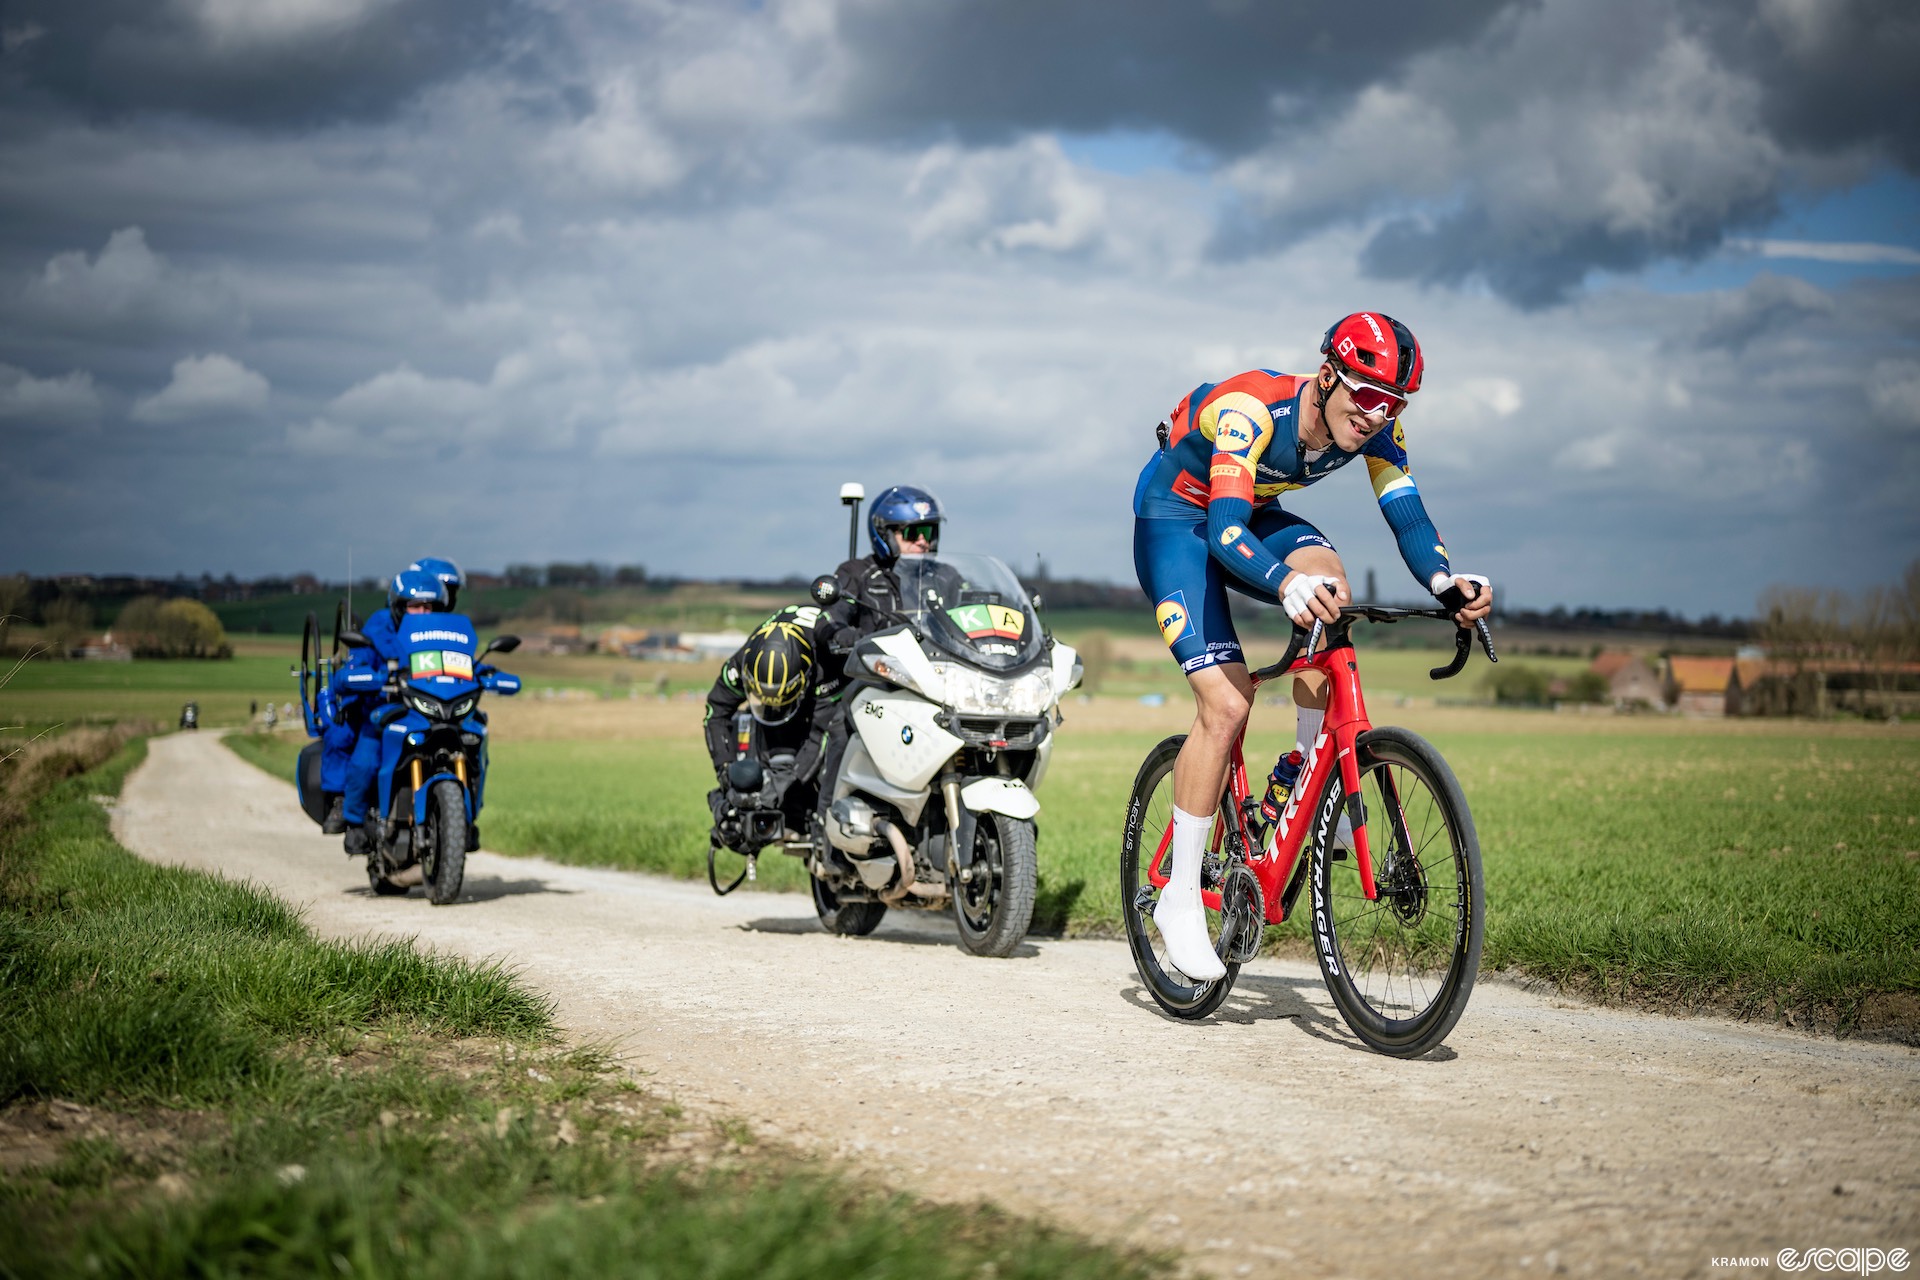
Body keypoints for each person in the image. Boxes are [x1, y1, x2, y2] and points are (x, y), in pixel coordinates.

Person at [1132, 312, 1492, 980]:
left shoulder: (1377, 427)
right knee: (1228, 702)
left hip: (1252, 511)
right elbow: (1223, 533)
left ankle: (1302, 765)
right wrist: (1281, 582)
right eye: (1366, 396)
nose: (1377, 415)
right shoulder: (1250, 413)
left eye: (1394, 405)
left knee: (1332, 586)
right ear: (1328, 376)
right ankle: (1179, 897)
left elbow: (1406, 512)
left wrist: (1446, 581)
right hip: (1182, 521)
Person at [703, 604, 852, 847]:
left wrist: (784, 786)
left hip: (821, 698)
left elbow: (819, 737)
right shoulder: (742, 662)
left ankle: (822, 821)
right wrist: (725, 770)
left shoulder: (828, 664)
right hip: (781, 684)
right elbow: (715, 711)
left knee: (836, 738)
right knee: (746, 732)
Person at [340, 569, 449, 854]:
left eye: (429, 607)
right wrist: (367, 677)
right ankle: (354, 823)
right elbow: (352, 668)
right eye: (415, 606)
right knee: (367, 757)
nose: (423, 612)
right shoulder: (378, 629)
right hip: (385, 709)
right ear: (399, 608)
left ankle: (459, 821)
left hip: (430, 710)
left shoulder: (441, 633)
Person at [829, 484, 944, 633]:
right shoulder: (857, 574)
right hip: (877, 656)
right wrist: (846, 636)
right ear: (885, 535)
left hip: (939, 656)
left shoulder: (945, 577)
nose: (922, 542)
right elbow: (832, 619)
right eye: (912, 533)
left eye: (927, 532)